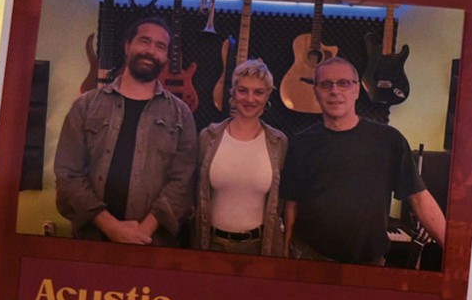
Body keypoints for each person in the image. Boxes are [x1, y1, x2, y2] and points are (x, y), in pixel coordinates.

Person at [282, 57, 446, 265]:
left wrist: (454, 250)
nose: (335, 91)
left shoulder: (389, 140)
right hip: (310, 257)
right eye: (326, 84)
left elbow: (419, 198)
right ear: (315, 91)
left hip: (368, 262)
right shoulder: (300, 142)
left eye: (344, 83)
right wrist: (285, 250)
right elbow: (292, 203)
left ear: (357, 90)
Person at [54, 16, 196, 245]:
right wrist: (111, 227)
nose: (151, 51)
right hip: (91, 239)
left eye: (160, 46)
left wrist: (141, 233)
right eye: (144, 41)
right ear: (127, 46)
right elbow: (68, 174)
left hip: (152, 243)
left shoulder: (181, 115)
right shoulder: (85, 106)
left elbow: (182, 182)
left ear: (166, 58)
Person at [194, 59, 288, 255]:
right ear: (233, 93)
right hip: (210, 244)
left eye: (258, 92)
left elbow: (283, 201)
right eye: (243, 90)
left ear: (268, 95)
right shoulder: (208, 137)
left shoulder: (278, 142)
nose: (250, 99)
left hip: (259, 247)